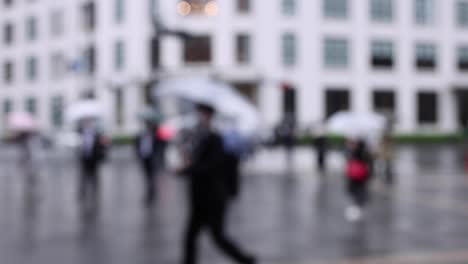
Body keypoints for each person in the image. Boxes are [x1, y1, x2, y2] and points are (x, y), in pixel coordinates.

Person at [177, 103, 256, 264]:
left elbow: (210, 166)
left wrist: (187, 170)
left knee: (217, 236)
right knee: (192, 237)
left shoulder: (216, 139)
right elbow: (196, 160)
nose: (198, 117)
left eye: (201, 113)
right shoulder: (200, 136)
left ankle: (246, 259)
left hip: (213, 198)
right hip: (200, 198)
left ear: (208, 115)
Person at [78, 119, 107, 205]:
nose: (88, 126)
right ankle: (83, 191)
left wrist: (99, 156)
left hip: (94, 159)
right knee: (84, 176)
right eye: (86, 124)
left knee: (94, 176)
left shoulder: (96, 135)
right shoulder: (82, 134)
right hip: (85, 159)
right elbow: (80, 147)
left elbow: (100, 146)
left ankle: (95, 191)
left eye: (89, 124)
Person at [345, 138, 372, 222]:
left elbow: (349, 161)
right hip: (362, 174)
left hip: (354, 174)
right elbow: (369, 163)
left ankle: (357, 203)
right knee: (360, 189)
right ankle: (359, 202)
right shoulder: (365, 152)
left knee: (354, 189)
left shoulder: (354, 151)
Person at [135, 122, 159, 206]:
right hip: (144, 159)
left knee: (151, 176)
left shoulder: (155, 136)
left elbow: (158, 148)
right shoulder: (140, 136)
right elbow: (137, 146)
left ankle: (152, 191)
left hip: (151, 159)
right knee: (147, 176)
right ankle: (150, 191)